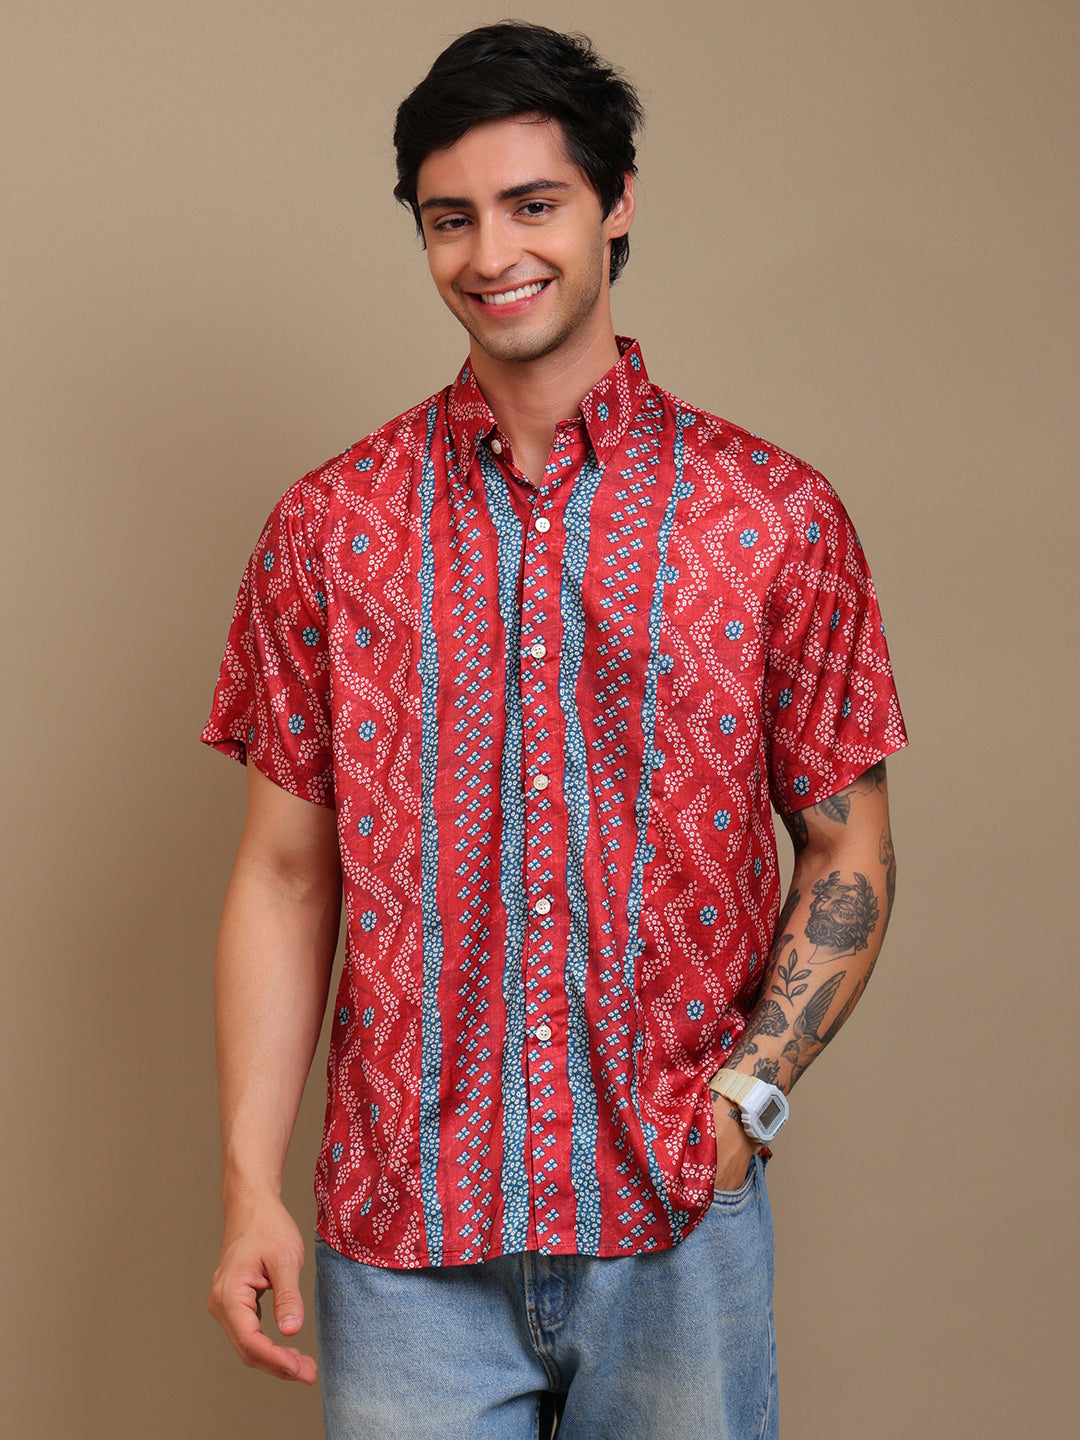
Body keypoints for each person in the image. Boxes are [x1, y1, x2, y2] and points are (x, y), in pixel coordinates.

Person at [203, 21, 907, 1440]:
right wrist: (247, 1182)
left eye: (535, 205)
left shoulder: (772, 518)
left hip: (670, 1228)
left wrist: (750, 1101)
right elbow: (286, 874)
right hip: (401, 1238)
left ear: (616, 202)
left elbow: (848, 844)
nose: (491, 254)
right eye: (450, 218)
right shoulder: (328, 530)